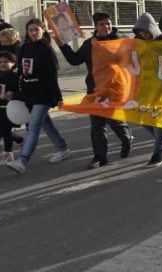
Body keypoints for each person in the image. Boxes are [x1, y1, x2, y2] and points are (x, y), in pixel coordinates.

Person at [57, 12, 134, 169]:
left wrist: (100, 48)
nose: (106, 27)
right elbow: (74, 60)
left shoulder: (119, 41)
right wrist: (62, 45)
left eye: (108, 23)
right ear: (95, 26)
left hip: (115, 88)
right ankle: (99, 157)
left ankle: (126, 137)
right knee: (97, 124)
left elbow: (125, 59)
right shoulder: (88, 44)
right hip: (95, 88)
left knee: (114, 119)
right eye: (101, 24)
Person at [5, 19, 70, 174]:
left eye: (36, 29)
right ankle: (63, 148)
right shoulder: (25, 48)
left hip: (44, 94)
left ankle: (22, 160)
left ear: (43, 30)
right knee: (46, 124)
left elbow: (52, 76)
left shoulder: (47, 50)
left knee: (33, 127)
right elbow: (19, 72)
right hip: (29, 94)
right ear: (27, 32)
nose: (34, 33)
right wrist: (14, 92)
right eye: (30, 30)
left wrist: (58, 97)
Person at [131, 13, 162, 167]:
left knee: (157, 117)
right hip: (145, 84)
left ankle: (158, 153)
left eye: (146, 31)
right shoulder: (138, 42)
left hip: (161, 86)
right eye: (140, 32)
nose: (144, 34)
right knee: (140, 116)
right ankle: (161, 137)